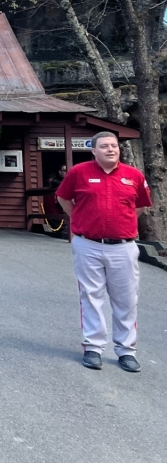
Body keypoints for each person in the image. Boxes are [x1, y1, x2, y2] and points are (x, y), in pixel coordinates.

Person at [56, 132, 151, 372]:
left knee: (127, 299)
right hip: (88, 244)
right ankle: (94, 348)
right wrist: (81, 220)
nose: (111, 149)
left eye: (114, 146)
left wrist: (119, 226)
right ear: (94, 151)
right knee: (91, 296)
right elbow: (63, 198)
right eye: (105, 146)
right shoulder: (79, 172)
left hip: (123, 247)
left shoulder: (134, 176)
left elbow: (140, 206)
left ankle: (126, 351)